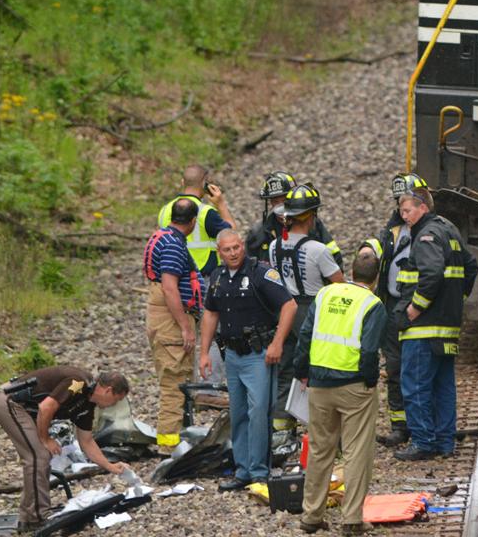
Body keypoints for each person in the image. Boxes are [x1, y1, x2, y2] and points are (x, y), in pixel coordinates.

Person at [293, 256, 387, 536]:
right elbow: (369, 351)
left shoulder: (325, 294)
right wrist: (370, 381)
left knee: (321, 449)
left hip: (319, 384)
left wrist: (302, 371)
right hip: (354, 386)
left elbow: (306, 335)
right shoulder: (373, 305)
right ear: (376, 278)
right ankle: (351, 519)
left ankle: (311, 515)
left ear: (350, 272)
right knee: (357, 451)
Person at [199, 229, 297, 491]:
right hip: (232, 354)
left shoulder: (260, 273)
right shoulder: (218, 277)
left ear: (243, 246)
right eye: (227, 250)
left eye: (236, 247)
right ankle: (242, 470)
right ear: (219, 253)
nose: (233, 253)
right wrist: (204, 352)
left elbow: (289, 306)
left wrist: (277, 343)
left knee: (258, 412)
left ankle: (258, 472)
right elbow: (210, 313)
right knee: (238, 412)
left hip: (259, 355)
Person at [392, 185, 478, 462]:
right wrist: (456, 298)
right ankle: (444, 442)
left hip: (423, 327)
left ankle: (423, 442)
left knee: (415, 384)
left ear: (423, 208)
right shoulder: (449, 230)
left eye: (407, 210)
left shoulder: (426, 236)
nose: (404, 216)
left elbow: (431, 273)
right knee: (443, 385)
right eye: (401, 211)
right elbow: (471, 266)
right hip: (446, 325)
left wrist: (416, 307)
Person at [0, 368, 130, 532]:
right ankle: (36, 518)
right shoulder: (78, 383)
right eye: (115, 400)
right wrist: (45, 439)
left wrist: (111, 467)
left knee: (39, 457)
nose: (113, 405)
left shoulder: (87, 404)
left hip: (23, 407)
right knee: (38, 456)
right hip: (9, 400)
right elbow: (46, 407)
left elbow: (86, 442)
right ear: (108, 390)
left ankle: (28, 517)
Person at [268, 183, 343, 421]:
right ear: (311, 216)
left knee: (285, 371)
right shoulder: (318, 249)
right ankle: (321, 425)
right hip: (311, 312)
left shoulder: (273, 246)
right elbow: (339, 283)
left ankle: (282, 429)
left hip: (283, 312)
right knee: (318, 369)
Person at [144, 197, 205, 448]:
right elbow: (170, 288)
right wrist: (185, 327)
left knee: (175, 377)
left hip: (160, 315)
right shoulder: (173, 246)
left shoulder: (163, 236)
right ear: (192, 222)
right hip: (170, 319)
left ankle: (176, 435)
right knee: (174, 380)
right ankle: (168, 443)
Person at [374, 173, 428, 447]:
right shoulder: (393, 232)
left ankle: (423, 424)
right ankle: (400, 425)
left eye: (407, 201)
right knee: (394, 366)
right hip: (393, 306)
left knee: (418, 368)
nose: (402, 207)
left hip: (419, 309)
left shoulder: (431, 230)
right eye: (399, 202)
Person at [244, 171, 343, 268]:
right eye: (275, 202)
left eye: (285, 200)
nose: (281, 207)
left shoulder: (310, 223)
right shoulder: (258, 233)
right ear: (270, 203)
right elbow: (250, 267)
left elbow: (333, 255)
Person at [157, 164, 237, 277]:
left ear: (182, 182)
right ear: (204, 184)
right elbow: (232, 233)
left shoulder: (164, 210)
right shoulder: (205, 212)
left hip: (173, 274)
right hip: (202, 276)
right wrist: (221, 204)